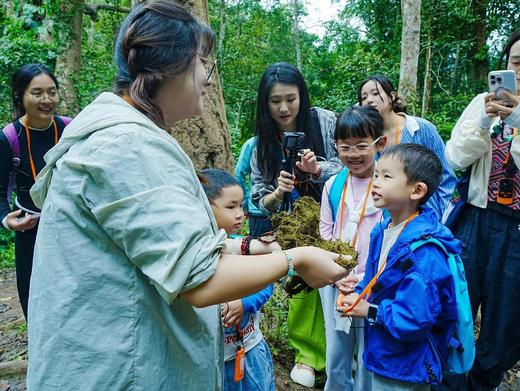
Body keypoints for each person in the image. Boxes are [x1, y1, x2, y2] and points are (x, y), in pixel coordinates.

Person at [25, 3, 347, 390]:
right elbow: (201, 280)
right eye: (203, 63)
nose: (208, 80)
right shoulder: (128, 145)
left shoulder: (124, 137)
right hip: (120, 372)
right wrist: (296, 258)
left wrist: (255, 249)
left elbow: (166, 249)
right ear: (170, 66)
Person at [339, 144, 459, 390]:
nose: (376, 182)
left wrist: (369, 311)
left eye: (387, 176)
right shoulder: (382, 229)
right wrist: (357, 293)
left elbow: (415, 318)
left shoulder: (425, 254)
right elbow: (376, 279)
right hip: (382, 352)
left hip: (406, 365)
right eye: (376, 174)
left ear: (417, 190)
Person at [250, 62, 340, 387]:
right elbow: (260, 200)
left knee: (336, 281)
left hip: (334, 216)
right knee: (301, 283)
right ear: (265, 103)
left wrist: (318, 170)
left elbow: (350, 162)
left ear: (302, 95)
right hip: (294, 224)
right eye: (275, 101)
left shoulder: (325, 121)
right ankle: (307, 355)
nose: (284, 108)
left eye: (291, 98)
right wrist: (277, 192)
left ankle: (339, 352)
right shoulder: (261, 143)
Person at [443, 29, 520, 391]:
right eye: (516, 63)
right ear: (505, 67)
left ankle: (483, 382)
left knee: (506, 326)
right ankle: (448, 382)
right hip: (475, 219)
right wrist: (486, 121)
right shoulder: (482, 101)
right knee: (455, 308)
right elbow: (455, 157)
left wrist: (517, 120)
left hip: (517, 232)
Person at [319, 105, 386, 391]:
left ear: (379, 143)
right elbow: (324, 231)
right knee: (336, 350)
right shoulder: (334, 184)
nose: (353, 154)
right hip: (336, 281)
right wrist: (335, 274)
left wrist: (368, 280)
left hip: (375, 282)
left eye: (361, 146)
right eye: (344, 147)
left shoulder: (389, 185)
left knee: (369, 348)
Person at [0, 63, 71, 320]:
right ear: (20, 95)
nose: (46, 100)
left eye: (52, 92)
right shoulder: (9, 137)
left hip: (68, 228)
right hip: (30, 229)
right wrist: (7, 219)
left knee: (72, 296)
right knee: (33, 300)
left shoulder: (69, 129)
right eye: (37, 92)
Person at [201, 168, 277, 391]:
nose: (240, 214)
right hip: (213, 358)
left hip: (249, 348)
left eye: (240, 206)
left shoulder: (244, 246)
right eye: (230, 207)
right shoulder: (195, 256)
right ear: (204, 208)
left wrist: (244, 303)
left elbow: (266, 282)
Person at [358, 74, 456, 220]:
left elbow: (446, 177)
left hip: (425, 220)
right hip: (385, 220)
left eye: (375, 93)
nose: (369, 100)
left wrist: (439, 216)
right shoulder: (368, 139)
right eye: (364, 97)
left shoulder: (422, 129)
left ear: (392, 96)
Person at [235, 136, 269, 237]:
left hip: (262, 212)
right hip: (259, 211)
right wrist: (243, 205)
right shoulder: (254, 143)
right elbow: (239, 174)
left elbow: (239, 173)